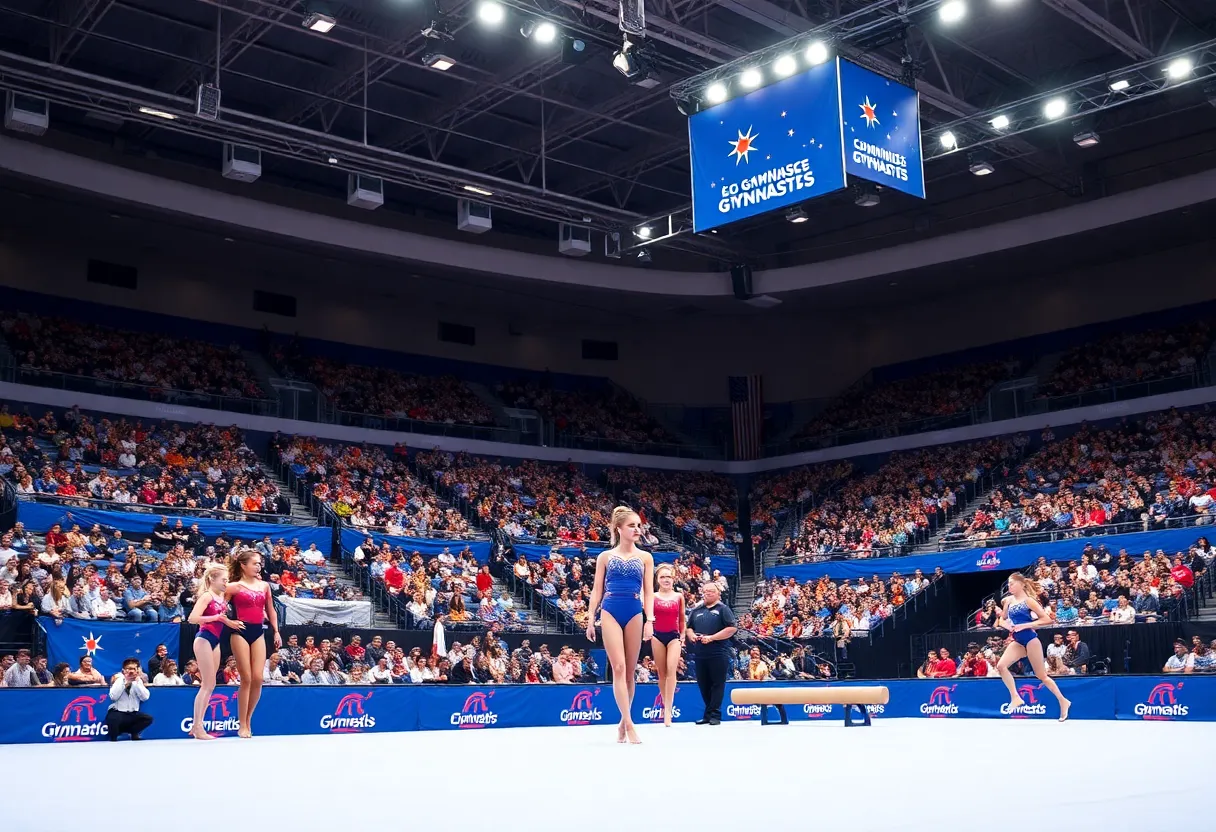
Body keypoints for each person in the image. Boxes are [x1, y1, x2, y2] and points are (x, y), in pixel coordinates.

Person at [585, 506, 654, 744]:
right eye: (632, 525)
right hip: (610, 608)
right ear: (619, 529)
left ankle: (623, 722)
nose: (637, 529)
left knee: (630, 673)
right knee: (619, 668)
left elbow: (648, 592)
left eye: (638, 525)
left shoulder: (646, 557)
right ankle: (631, 724)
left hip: (635, 611)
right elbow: (596, 589)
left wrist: (650, 620)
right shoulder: (605, 557)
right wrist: (590, 617)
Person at [996, 572, 1071, 721]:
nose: (1009, 586)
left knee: (1041, 675)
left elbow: (1047, 620)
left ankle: (1063, 701)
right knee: (1001, 666)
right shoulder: (1009, 600)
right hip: (1017, 640)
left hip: (1031, 639)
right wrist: (1008, 626)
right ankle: (1015, 697)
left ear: (1021, 584)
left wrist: (1025, 625)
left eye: (1012, 583)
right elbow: (1001, 620)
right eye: (1009, 584)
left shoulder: (1029, 601)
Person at [224, 549, 280, 738]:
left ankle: (248, 719)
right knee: (246, 678)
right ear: (243, 565)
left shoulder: (264, 586)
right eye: (255, 563)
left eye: (259, 563)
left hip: (258, 631)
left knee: (258, 678)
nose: (259, 566)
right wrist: (228, 621)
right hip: (239, 631)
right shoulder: (234, 587)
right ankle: (242, 724)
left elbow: (271, 610)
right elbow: (219, 608)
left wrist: (277, 631)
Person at [187, 565, 239, 740]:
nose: (226, 583)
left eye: (227, 580)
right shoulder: (207, 596)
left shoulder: (221, 596)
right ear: (212, 580)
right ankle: (197, 727)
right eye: (223, 580)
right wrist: (215, 618)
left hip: (215, 640)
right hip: (204, 638)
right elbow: (192, 618)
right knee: (206, 685)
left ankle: (197, 726)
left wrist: (229, 622)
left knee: (211, 685)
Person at [684, 582, 737, 725]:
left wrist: (712, 638)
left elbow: (731, 628)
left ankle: (715, 714)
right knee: (703, 684)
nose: (707, 593)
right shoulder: (697, 610)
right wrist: (692, 636)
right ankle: (708, 713)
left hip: (718, 651)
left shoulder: (723, 609)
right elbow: (689, 628)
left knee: (717, 684)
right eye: (705, 591)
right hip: (700, 652)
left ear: (718, 593)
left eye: (711, 591)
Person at [650, 563, 685, 727]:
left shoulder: (678, 596)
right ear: (657, 580)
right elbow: (648, 617)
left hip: (674, 636)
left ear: (673, 579)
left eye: (668, 577)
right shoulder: (653, 596)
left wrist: (682, 635)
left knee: (672, 670)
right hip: (657, 636)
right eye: (662, 577)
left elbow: (682, 617)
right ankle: (664, 706)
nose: (666, 579)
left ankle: (669, 711)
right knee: (662, 673)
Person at [105, 657, 153, 741]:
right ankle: (115, 735)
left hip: (132, 713)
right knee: (113, 719)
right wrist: (126, 683)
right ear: (123, 670)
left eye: (133, 669)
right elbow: (113, 697)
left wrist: (137, 683)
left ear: (137, 670)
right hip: (118, 712)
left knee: (148, 718)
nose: (131, 671)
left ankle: (133, 733)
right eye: (128, 669)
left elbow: (145, 697)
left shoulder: (138, 681)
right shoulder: (118, 680)